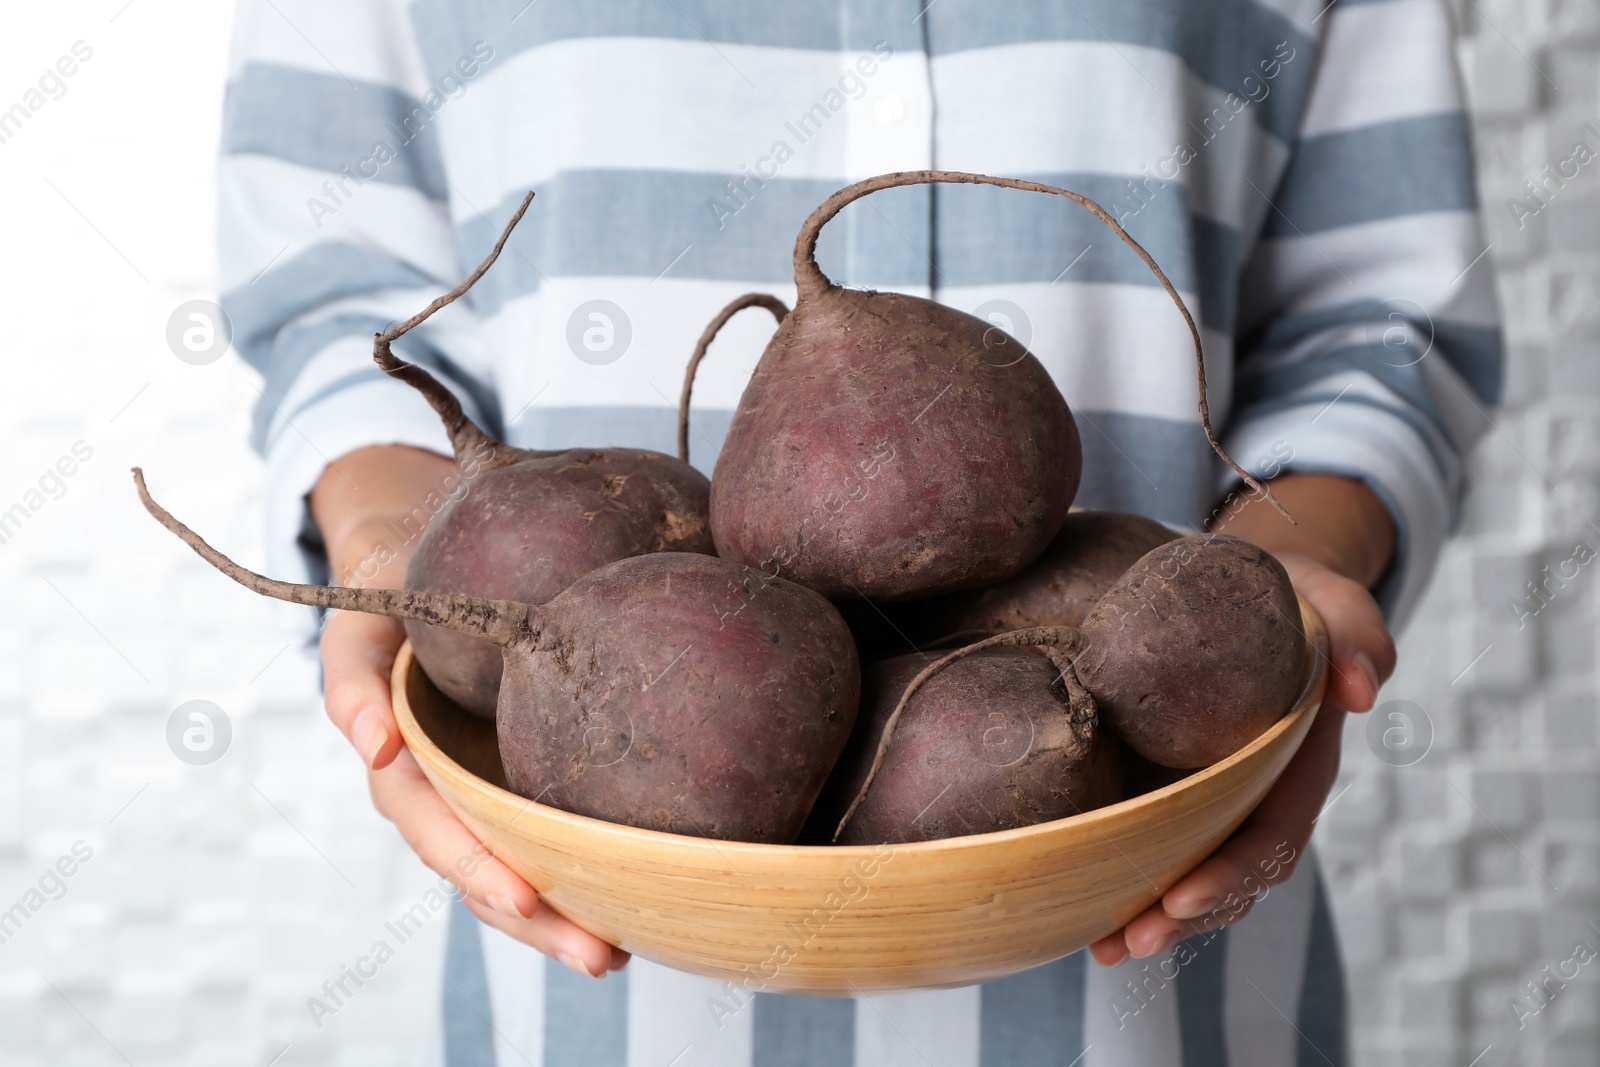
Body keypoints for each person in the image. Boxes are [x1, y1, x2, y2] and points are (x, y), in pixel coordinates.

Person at [219, 0, 1498, 1062]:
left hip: (1157, 896)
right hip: (603, 953)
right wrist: (390, 558)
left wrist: (1290, 574)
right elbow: (340, 303)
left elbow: (1380, 325)